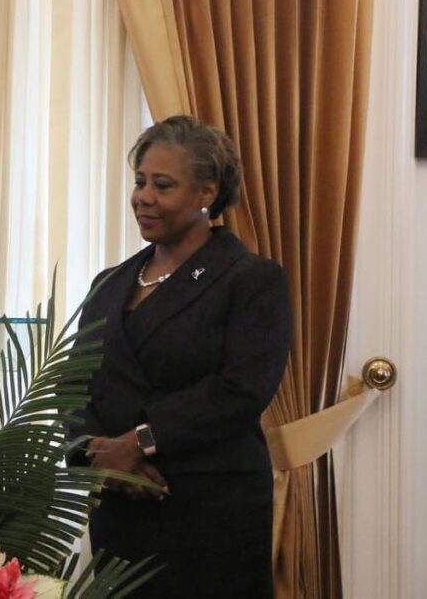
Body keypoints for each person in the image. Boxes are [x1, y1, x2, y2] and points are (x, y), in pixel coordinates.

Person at [69, 115, 292, 598]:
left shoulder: (251, 280)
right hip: (119, 509)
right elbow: (72, 383)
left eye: (162, 185)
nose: (142, 196)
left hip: (209, 512)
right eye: (139, 181)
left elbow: (242, 389)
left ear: (206, 195)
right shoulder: (108, 283)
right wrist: (96, 454)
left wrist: (141, 441)